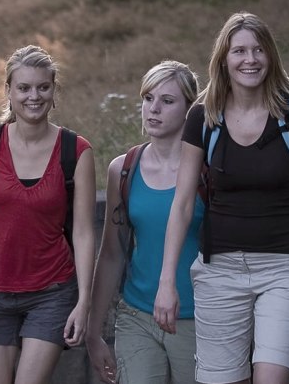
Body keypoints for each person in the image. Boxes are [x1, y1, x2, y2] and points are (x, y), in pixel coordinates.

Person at [153, 13, 289, 384]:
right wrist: (166, 281)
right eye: (239, 51)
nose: (249, 59)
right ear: (224, 59)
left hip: (283, 270)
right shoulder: (202, 117)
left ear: (270, 56)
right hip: (218, 272)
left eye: (258, 50)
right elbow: (183, 204)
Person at [0, 45, 98, 384]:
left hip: (52, 292)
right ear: (9, 91)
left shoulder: (76, 151)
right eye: (24, 88)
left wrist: (84, 302)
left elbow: (84, 232)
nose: (34, 96)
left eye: (43, 87)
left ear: (53, 91)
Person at [85, 61, 205, 384]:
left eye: (167, 101)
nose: (154, 109)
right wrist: (93, 332)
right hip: (137, 315)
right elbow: (112, 254)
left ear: (189, 109)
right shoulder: (123, 169)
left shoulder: (208, 170)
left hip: (197, 319)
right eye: (148, 98)